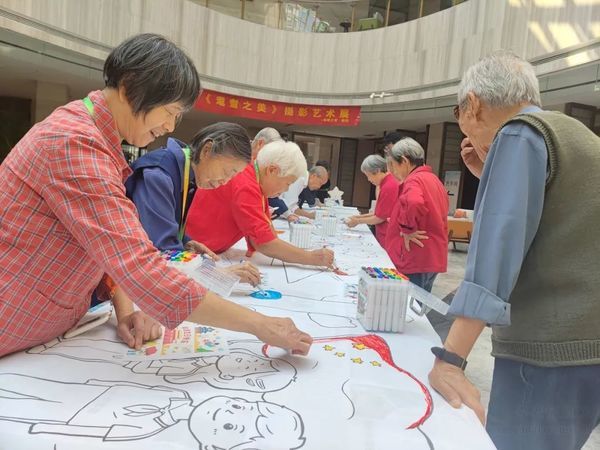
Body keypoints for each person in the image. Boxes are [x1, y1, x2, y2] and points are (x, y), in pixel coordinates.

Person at [0, 33, 312, 358]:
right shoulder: (75, 143)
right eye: (171, 111)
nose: (170, 127)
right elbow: (140, 264)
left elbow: (103, 247)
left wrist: (124, 308)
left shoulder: (98, 142)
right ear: (130, 87)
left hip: (48, 338)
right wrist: (262, 325)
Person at [428, 51, 600, 450]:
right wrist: (492, 172)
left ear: (472, 103)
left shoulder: (519, 133)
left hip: (545, 354)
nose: (466, 136)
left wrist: (451, 360)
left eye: (460, 114)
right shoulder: (574, 135)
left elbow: (495, 256)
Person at [124, 122, 260, 285]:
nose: (224, 182)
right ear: (206, 150)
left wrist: (184, 241)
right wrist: (218, 274)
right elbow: (162, 251)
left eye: (232, 177)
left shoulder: (185, 173)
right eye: (227, 172)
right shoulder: (158, 175)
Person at [185, 140, 334, 267]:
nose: (285, 190)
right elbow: (264, 243)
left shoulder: (253, 177)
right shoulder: (246, 184)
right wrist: (312, 258)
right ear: (272, 170)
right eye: (287, 183)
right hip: (191, 254)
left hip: (207, 251)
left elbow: (264, 232)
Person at [385, 138, 448, 292]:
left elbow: (414, 202)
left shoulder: (414, 180)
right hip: (430, 255)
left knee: (407, 309)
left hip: (415, 257)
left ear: (405, 161)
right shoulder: (433, 179)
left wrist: (407, 228)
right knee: (418, 307)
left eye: (394, 165)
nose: (393, 171)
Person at [346, 154, 399, 246]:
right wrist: (357, 217)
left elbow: (379, 218)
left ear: (377, 171)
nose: (368, 180)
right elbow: (378, 212)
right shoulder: (385, 183)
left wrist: (357, 221)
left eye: (368, 175)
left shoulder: (388, 186)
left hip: (388, 235)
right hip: (384, 233)